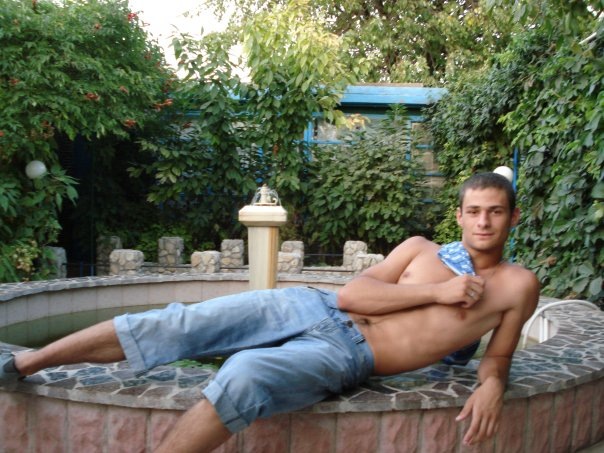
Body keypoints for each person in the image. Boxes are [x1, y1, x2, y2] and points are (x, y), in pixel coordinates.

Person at [0, 172, 539, 452]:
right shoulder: (420, 249)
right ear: (459, 215)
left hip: (349, 353)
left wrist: (492, 385)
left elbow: (498, 357)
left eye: (495, 212)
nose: (483, 222)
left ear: (512, 218)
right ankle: (22, 364)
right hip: (309, 305)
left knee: (246, 374)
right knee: (178, 321)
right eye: (474, 211)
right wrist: (439, 293)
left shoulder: (518, 285)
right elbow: (353, 296)